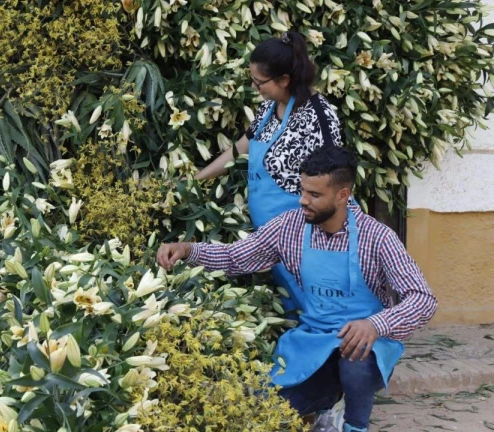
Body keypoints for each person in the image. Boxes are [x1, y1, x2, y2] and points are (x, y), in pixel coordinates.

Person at [158, 146, 438, 432]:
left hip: (367, 347)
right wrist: (188, 249)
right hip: (314, 342)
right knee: (269, 408)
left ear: (343, 195)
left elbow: (423, 299)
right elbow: (236, 257)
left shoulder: (377, 237)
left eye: (314, 195)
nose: (303, 200)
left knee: (355, 362)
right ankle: (329, 400)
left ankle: (354, 424)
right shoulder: (289, 227)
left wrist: (375, 325)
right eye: (302, 191)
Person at [196, 31, 342, 315]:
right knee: (296, 310)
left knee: (322, 311)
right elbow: (242, 147)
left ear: (284, 79)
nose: (255, 87)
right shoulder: (269, 107)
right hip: (271, 238)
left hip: (304, 240)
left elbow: (334, 184)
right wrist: (197, 179)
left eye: (259, 81)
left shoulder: (319, 118)